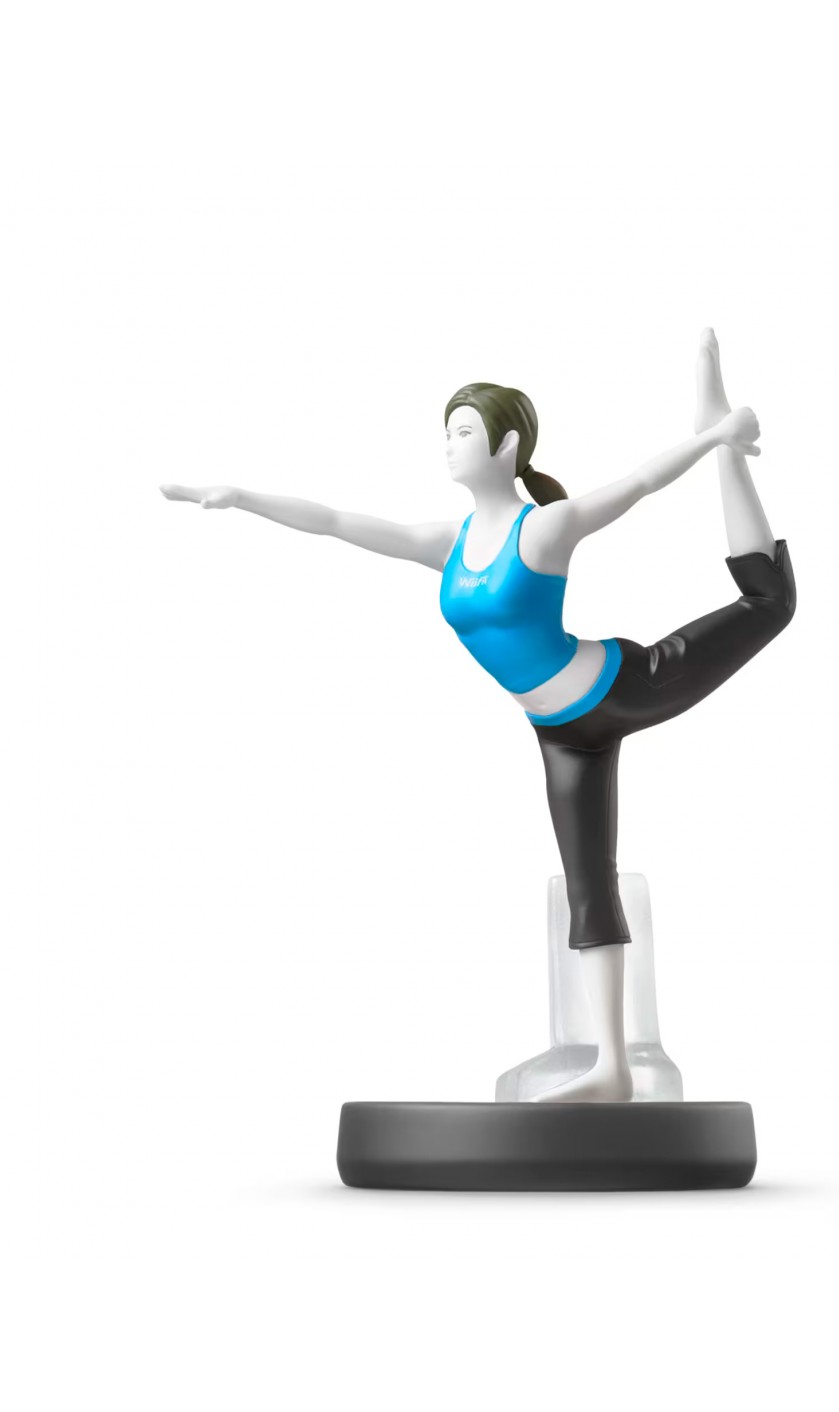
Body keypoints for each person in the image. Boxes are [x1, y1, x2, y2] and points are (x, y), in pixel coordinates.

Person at [160, 329, 795, 1102]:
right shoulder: (449, 544)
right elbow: (334, 521)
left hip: (625, 686)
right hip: (561, 736)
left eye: (462, 431)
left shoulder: (544, 529)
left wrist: (716, 436)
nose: (448, 444)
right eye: (447, 431)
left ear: (507, 446)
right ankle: (613, 1069)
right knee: (588, 885)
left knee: (769, 604)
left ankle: (726, 446)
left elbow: (638, 484)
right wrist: (242, 497)